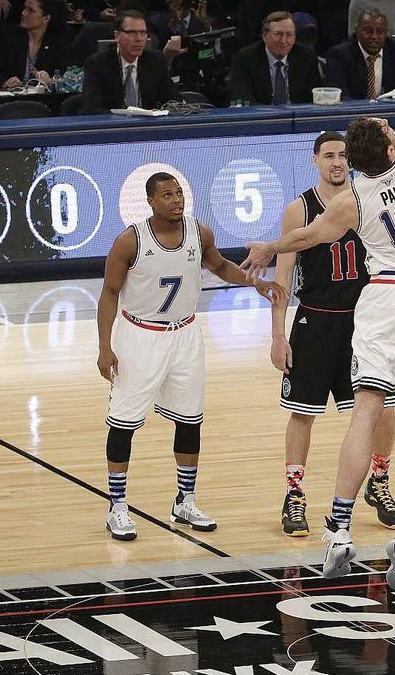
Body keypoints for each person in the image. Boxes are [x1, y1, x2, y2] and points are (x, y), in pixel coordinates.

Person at [242, 0, 395, 594]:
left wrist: (266, 246)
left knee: (365, 413)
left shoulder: (351, 200)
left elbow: (307, 236)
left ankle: (337, 529)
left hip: (380, 298)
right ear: (391, 145)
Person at [97, 172, 284, 541]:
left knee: (190, 420)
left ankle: (185, 500)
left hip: (185, 334)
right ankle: (117, 506)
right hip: (139, 335)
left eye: (179, 192)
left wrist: (255, 282)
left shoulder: (200, 232)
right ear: (150, 202)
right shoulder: (129, 241)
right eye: (167, 195)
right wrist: (105, 347)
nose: (176, 199)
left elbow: (219, 266)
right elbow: (109, 293)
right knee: (123, 423)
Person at [271, 131, 395, 538]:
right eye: (328, 155)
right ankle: (294, 495)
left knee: (382, 409)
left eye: (343, 155)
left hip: (365, 321)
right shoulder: (300, 208)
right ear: (314, 161)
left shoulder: (369, 197)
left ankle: (378, 482)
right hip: (315, 320)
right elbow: (283, 276)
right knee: (303, 413)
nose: (337, 162)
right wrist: (277, 335)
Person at [81, 9, 181, 112]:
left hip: (147, 124)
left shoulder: (155, 60)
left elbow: (173, 101)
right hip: (113, 125)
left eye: (142, 32)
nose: (139, 39)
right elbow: (91, 108)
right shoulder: (97, 63)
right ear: (117, 36)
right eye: (132, 33)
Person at [228, 11, 322, 105]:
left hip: (298, 115)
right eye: (278, 34)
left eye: (289, 35)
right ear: (265, 36)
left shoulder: (307, 57)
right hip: (262, 116)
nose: (284, 41)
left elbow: (315, 96)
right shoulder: (245, 58)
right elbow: (243, 98)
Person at [323, 7, 395, 101]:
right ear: (357, 31)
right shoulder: (339, 55)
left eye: (380, 32)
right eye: (368, 31)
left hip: (391, 111)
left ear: (386, 33)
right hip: (355, 112)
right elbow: (339, 96)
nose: (374, 36)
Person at [0, 0, 71, 90]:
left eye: (31, 10)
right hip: (9, 97)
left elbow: (66, 73)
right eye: (25, 8)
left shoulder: (59, 42)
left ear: (46, 18)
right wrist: (4, 82)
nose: (23, 13)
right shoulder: (8, 36)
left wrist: (50, 81)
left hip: (44, 99)